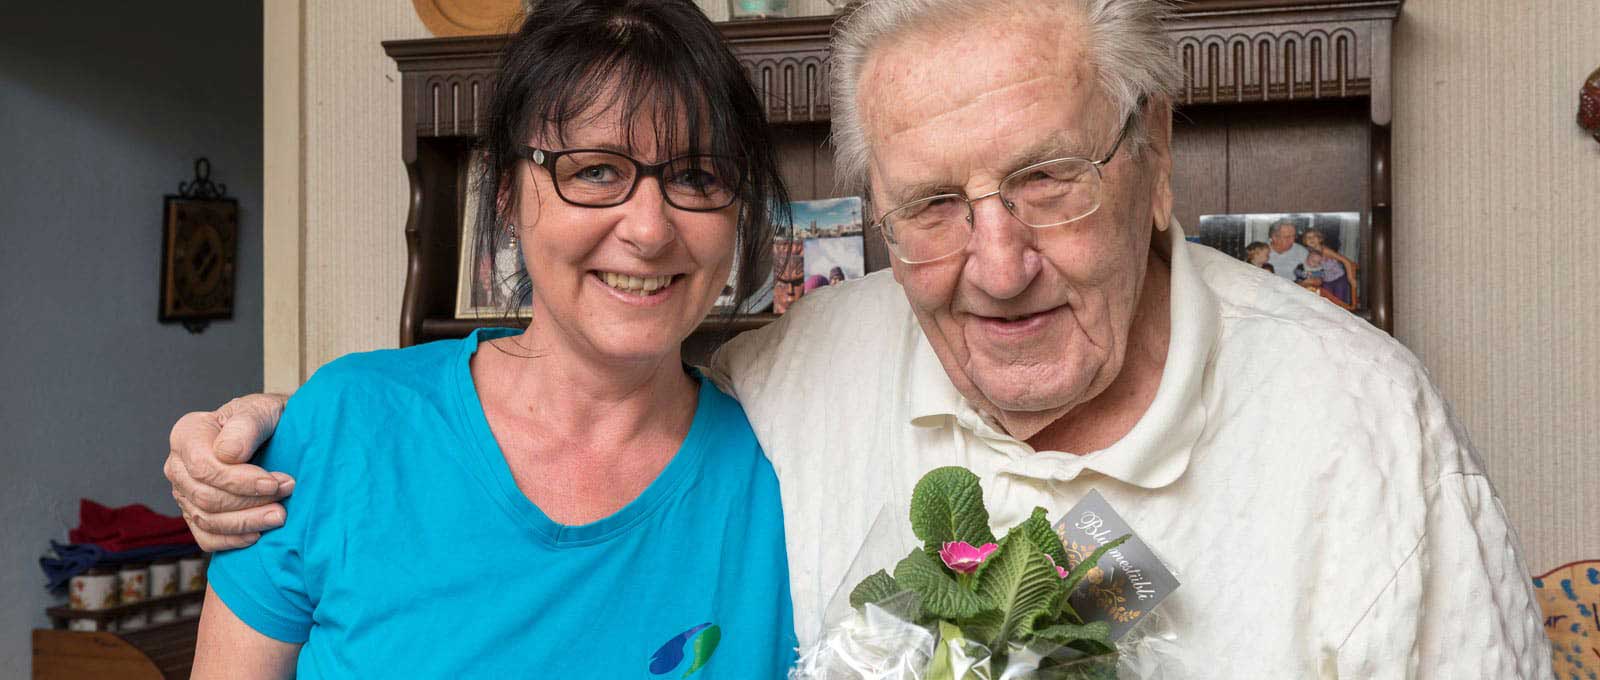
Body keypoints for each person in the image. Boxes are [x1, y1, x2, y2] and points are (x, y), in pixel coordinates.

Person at [167, 0, 1552, 676]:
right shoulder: (798, 381)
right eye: (934, 204)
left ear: (1156, 160)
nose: (997, 264)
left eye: (1051, 178)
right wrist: (261, 434)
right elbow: (538, 406)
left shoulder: (1365, 433)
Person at [181, 1, 797, 677]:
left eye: (696, 176)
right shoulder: (341, 431)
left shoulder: (783, 478)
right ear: (506, 195)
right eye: (594, 170)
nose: (649, 231)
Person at [1304, 227, 1356, 306]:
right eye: (1308, 237)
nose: (1311, 239)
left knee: (1340, 303)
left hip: (1339, 279)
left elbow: (1346, 261)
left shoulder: (1325, 251)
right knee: (1328, 303)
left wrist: (1350, 278)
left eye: (1314, 237)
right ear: (1305, 241)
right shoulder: (1308, 253)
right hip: (1326, 281)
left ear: (1320, 239)